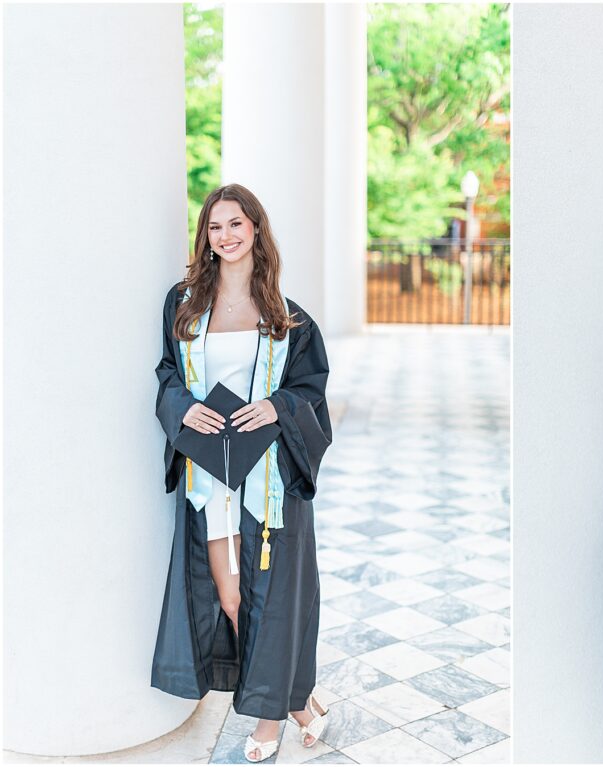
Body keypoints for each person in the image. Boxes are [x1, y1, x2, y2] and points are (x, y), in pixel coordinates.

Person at [151, 183, 333, 763]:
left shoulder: (287, 316)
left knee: (272, 597)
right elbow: (166, 376)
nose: (226, 236)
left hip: (269, 480)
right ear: (205, 236)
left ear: (256, 228)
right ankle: (300, 701)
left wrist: (277, 406)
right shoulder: (184, 304)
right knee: (229, 596)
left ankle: (267, 718)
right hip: (212, 478)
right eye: (215, 226)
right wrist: (183, 409)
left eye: (236, 224)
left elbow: (311, 388)